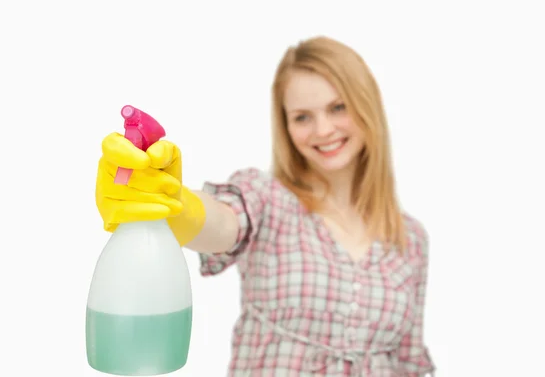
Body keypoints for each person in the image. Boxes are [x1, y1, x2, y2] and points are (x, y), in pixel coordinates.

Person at [95, 36, 436, 376]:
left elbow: (409, 363)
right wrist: (174, 202)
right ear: (286, 126)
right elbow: (224, 224)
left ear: (367, 106)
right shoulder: (267, 199)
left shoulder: (411, 239)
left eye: (338, 107)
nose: (323, 129)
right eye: (302, 117)